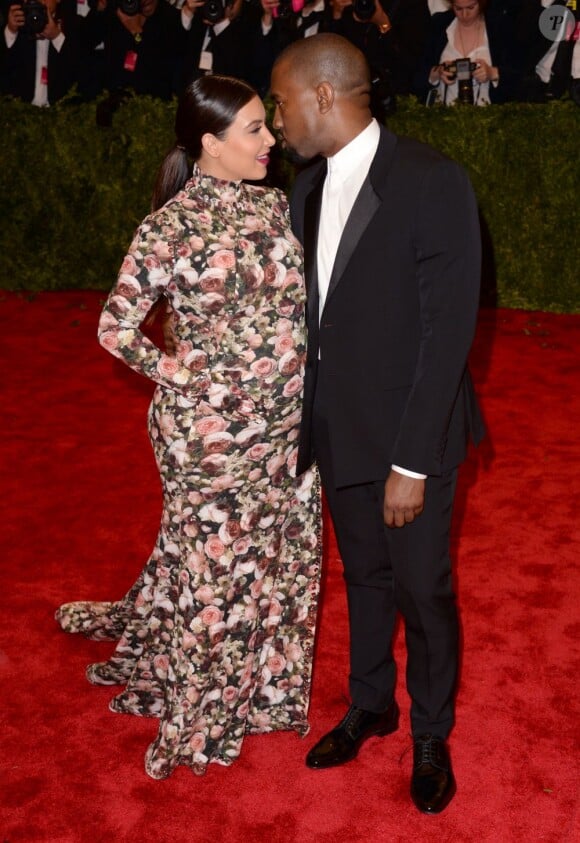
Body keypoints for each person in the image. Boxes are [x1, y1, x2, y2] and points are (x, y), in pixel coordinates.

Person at [55, 74, 321, 780]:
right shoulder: (169, 227)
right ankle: (203, 714)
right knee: (216, 573)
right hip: (207, 437)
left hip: (287, 428)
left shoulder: (277, 208)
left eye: (268, 126)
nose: (272, 141)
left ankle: (265, 695)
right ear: (211, 142)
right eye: (255, 130)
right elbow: (116, 327)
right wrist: (187, 374)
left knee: (278, 563)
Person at [270, 33, 484, 814]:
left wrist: (414, 461)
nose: (277, 117)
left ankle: (430, 730)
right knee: (363, 577)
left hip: (407, 440)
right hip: (336, 430)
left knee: (422, 591)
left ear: (323, 95)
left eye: (282, 100)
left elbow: (447, 333)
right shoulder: (304, 186)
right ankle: (371, 704)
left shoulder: (432, 180)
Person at [420, 0, 520, 105]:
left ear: (481, 3)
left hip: (489, 115)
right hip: (442, 113)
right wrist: (438, 72)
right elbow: (418, 73)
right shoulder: (439, 24)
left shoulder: (500, 25)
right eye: (458, 8)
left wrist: (492, 73)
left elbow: (517, 74)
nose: (465, 14)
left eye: (471, 8)